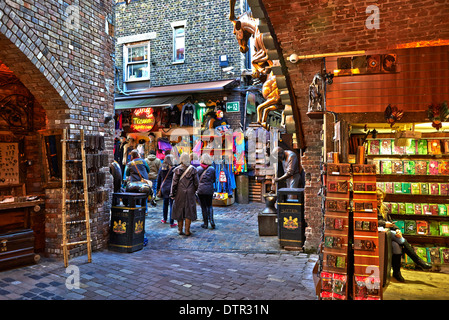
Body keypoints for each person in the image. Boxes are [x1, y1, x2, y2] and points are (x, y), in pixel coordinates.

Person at [377, 189, 432, 282]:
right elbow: (372, 221)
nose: (380, 201)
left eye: (381, 198)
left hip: (389, 233)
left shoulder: (384, 208)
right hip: (380, 234)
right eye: (378, 199)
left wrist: (397, 229)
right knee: (401, 240)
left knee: (397, 247)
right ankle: (418, 261)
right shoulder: (370, 207)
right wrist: (384, 224)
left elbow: (390, 221)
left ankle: (396, 273)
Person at [170, 153, 199, 236]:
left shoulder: (177, 169)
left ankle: (180, 229)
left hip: (179, 192)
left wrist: (172, 193)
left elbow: (174, 183)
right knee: (189, 210)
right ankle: (187, 230)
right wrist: (195, 190)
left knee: (179, 209)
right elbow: (196, 183)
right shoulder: (193, 169)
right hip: (190, 192)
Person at [196, 153, 216, 229]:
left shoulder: (198, 169)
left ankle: (205, 223)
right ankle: (212, 221)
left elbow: (196, 180)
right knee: (210, 205)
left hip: (201, 190)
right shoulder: (212, 169)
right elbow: (214, 180)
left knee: (203, 207)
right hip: (209, 189)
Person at [156, 154, 177, 228]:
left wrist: (158, 188)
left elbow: (158, 179)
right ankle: (172, 222)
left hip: (164, 187)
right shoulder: (174, 168)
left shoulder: (162, 168)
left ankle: (164, 219)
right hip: (171, 187)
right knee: (171, 205)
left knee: (165, 203)